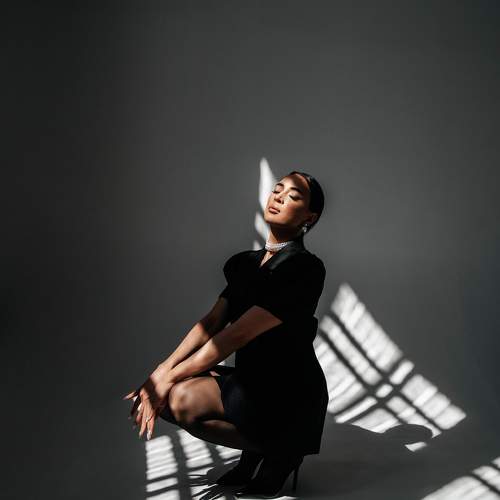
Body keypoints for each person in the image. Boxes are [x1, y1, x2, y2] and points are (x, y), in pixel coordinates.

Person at [123, 170, 328, 498]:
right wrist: (161, 371)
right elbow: (211, 323)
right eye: (277, 190)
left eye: (292, 196)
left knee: (180, 398)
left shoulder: (304, 268)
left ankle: (283, 452)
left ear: (309, 217)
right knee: (167, 391)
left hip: (288, 392)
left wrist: (167, 379)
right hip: (251, 381)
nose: (278, 197)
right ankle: (258, 451)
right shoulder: (246, 265)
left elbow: (235, 335)